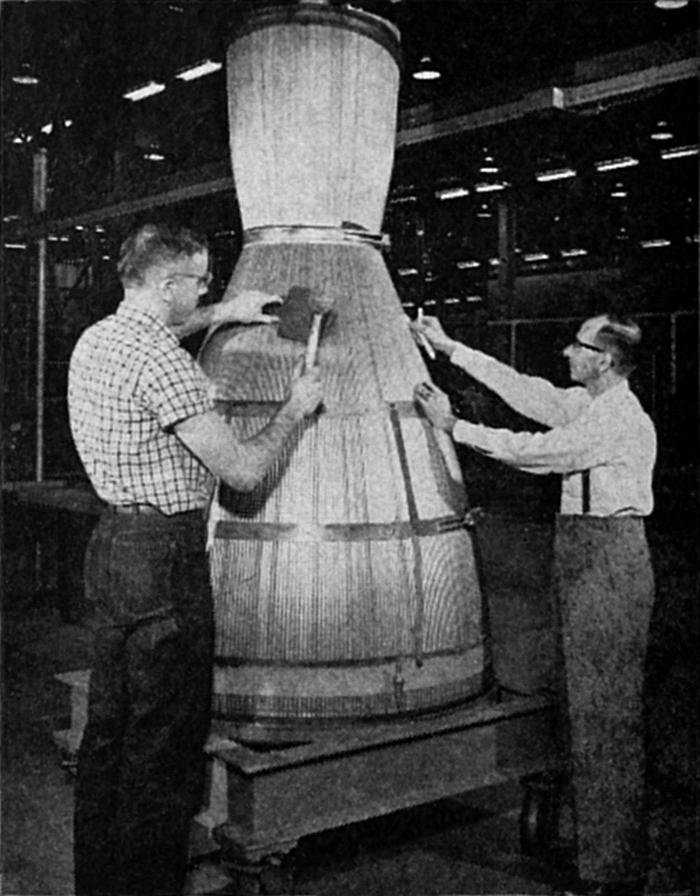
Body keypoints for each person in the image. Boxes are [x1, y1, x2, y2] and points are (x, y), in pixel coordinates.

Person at [67, 222, 322, 896]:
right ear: (169, 283)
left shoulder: (100, 340)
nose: (209, 288)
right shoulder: (166, 365)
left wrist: (226, 313)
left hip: (112, 549)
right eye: (203, 281)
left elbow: (159, 339)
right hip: (165, 564)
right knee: (163, 753)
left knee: (109, 739)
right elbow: (240, 470)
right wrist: (295, 410)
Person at [411, 313, 656, 896]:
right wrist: (450, 348)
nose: (567, 353)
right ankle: (598, 844)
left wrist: (455, 428)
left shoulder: (617, 418)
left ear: (603, 359)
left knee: (605, 716)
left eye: (578, 346)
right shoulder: (590, 403)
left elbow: (541, 452)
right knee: (581, 705)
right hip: (582, 551)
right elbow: (526, 391)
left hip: (609, 557)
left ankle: (611, 871)